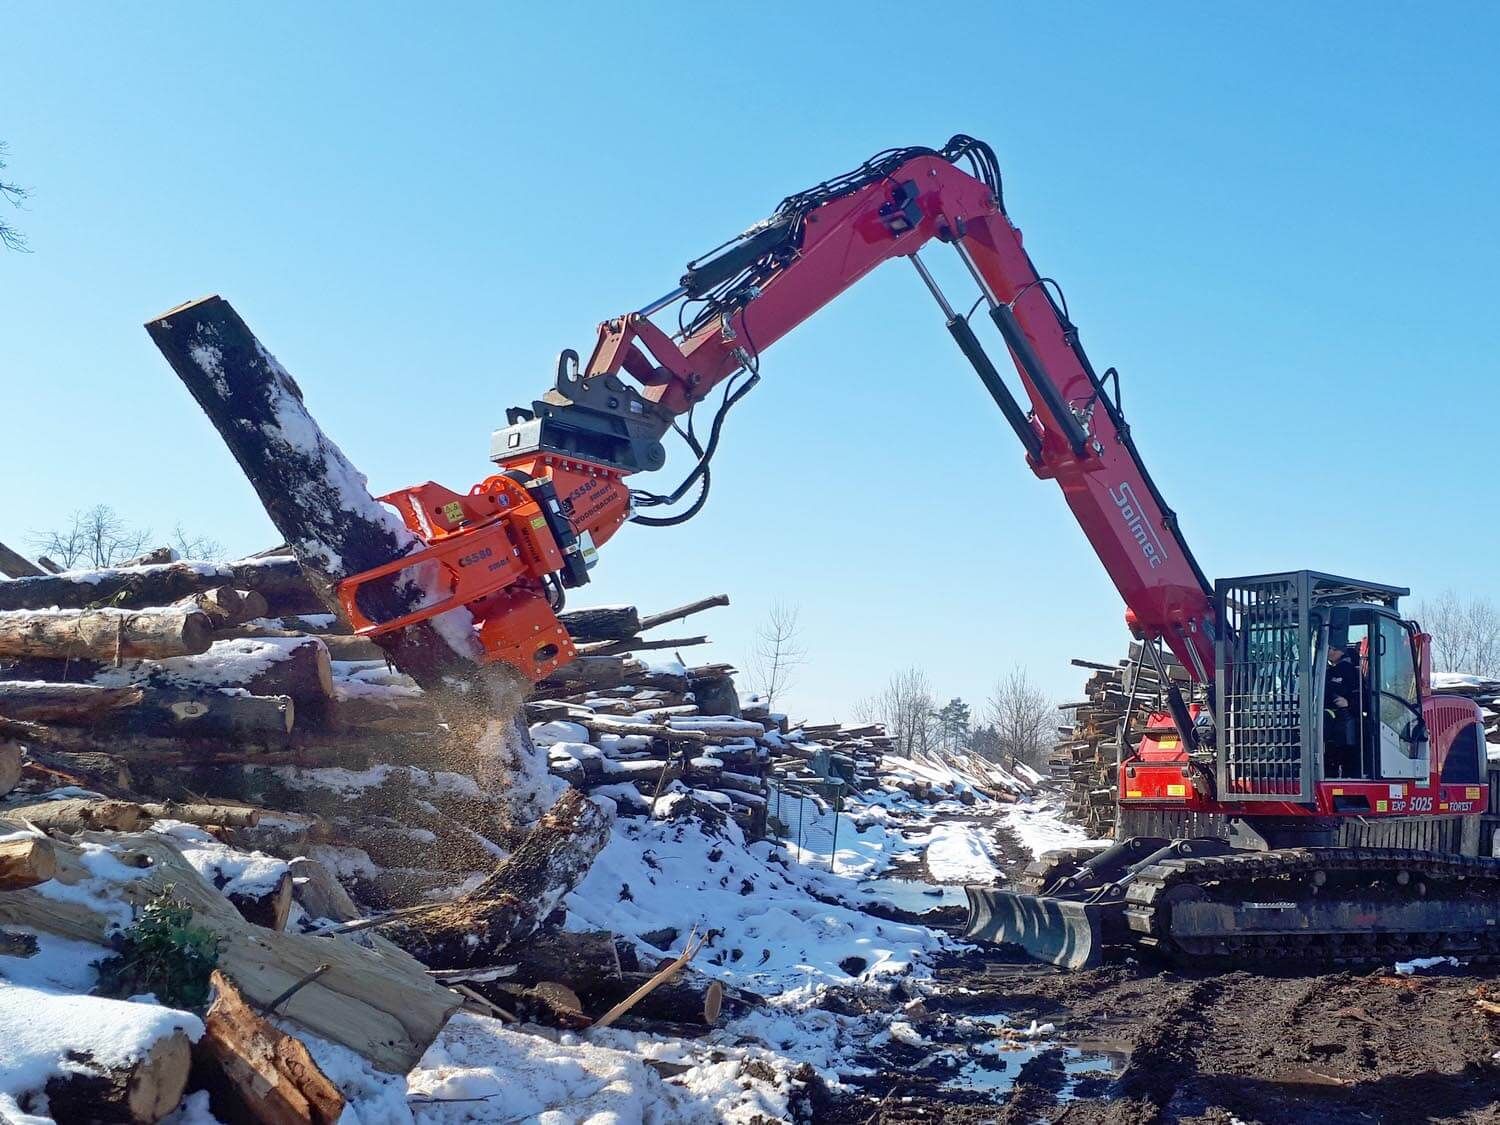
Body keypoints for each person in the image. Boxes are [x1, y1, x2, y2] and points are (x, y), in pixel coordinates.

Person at [1324, 642, 1361, 777]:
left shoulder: (1349, 670)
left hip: (1344, 726)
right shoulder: (1325, 671)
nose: (1329, 652)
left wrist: (1348, 703)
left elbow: (1363, 699)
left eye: (1331, 648)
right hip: (1329, 727)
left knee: (1346, 759)